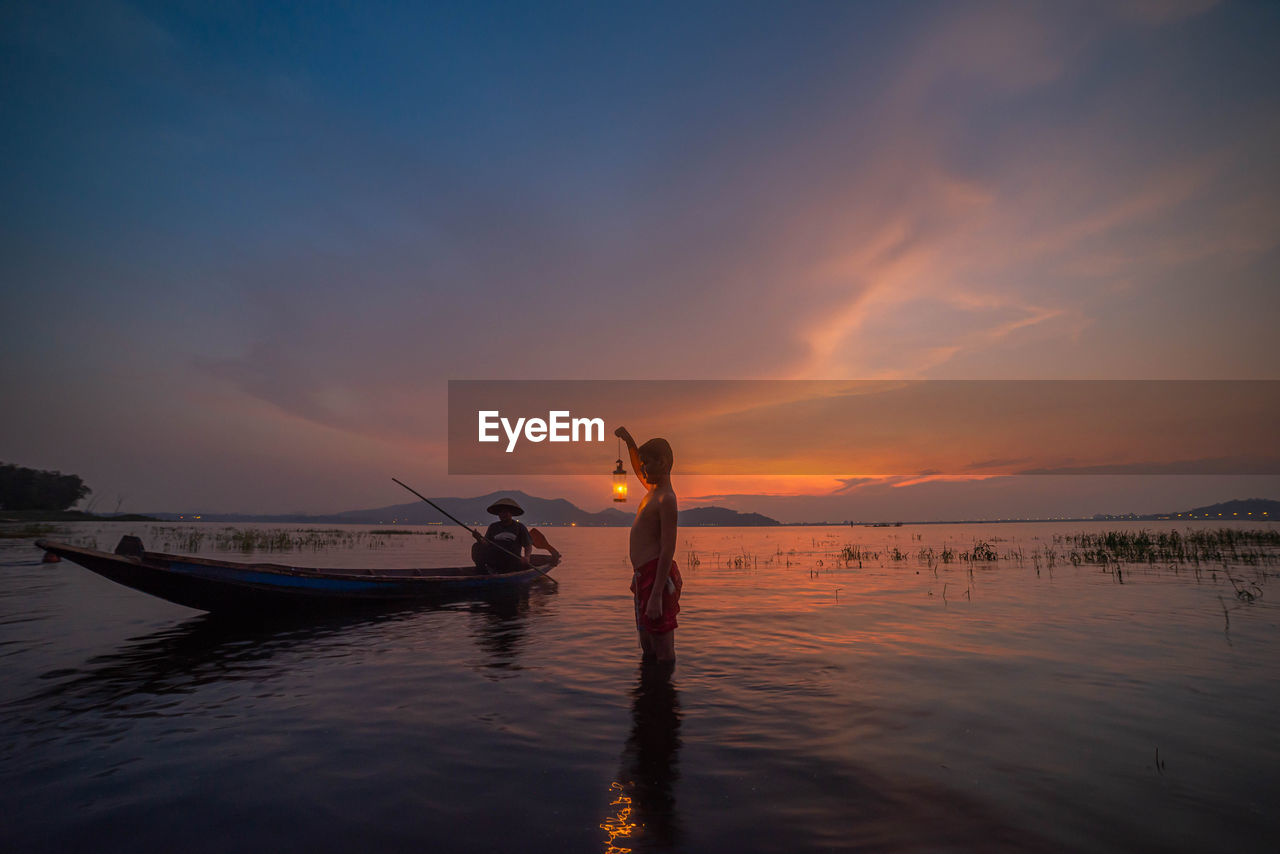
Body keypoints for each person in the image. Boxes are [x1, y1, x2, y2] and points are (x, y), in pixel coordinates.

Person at [614, 426, 681, 663]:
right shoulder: (652, 489)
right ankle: (649, 694)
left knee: (663, 649)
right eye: (642, 463)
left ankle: (664, 696)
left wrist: (655, 595)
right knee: (647, 645)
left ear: (663, 463)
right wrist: (630, 440)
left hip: (656, 579)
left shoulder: (667, 498)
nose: (642, 468)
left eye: (647, 463)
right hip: (643, 576)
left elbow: (668, 549)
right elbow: (635, 465)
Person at [471, 497, 533, 573]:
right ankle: (483, 571)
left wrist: (527, 557)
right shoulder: (493, 526)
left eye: (506, 512)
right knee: (476, 546)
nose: (503, 514)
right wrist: (479, 538)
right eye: (501, 512)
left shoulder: (519, 527)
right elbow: (486, 543)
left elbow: (528, 545)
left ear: (511, 513)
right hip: (495, 559)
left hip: (511, 560)